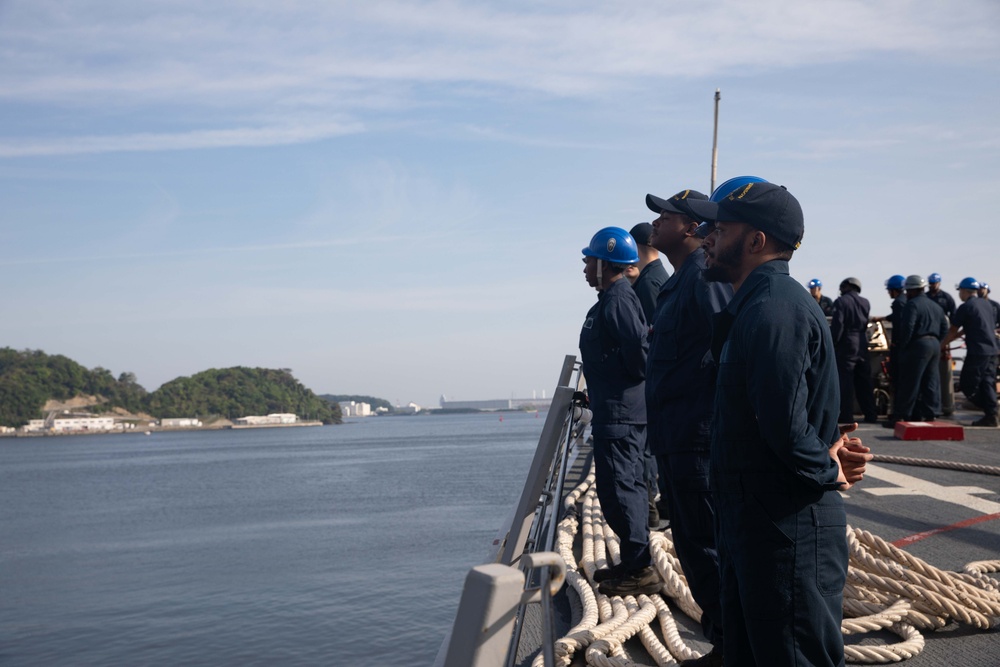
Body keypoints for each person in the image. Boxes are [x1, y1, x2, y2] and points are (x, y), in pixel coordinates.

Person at [688, 180, 872, 667]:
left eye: (719, 227)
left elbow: (784, 424)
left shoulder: (773, 310)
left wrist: (829, 470)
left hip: (785, 532)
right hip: (753, 525)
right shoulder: (752, 306)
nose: (705, 236)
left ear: (756, 241)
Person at [644, 186, 733, 666]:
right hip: (675, 437)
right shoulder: (680, 280)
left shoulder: (703, 277)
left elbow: (729, 353)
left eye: (666, 216)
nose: (656, 224)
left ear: (692, 227)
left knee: (708, 547)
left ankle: (732, 647)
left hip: (697, 439)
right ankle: (725, 641)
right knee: (694, 546)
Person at [578, 227, 661, 596]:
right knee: (616, 490)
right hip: (612, 411)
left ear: (606, 264)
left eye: (589, 260)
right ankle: (631, 562)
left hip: (621, 416)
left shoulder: (618, 302)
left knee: (623, 490)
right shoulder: (609, 299)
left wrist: (615, 389)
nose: (583, 267)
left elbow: (639, 357)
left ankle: (640, 568)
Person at [627, 221, 670, 528]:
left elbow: (648, 337)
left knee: (646, 448)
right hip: (657, 377)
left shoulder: (648, 284)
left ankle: (651, 508)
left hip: (650, 379)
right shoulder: (660, 278)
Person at [886, 275, 948, 426]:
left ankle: (901, 416)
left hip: (918, 345)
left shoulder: (912, 305)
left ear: (911, 289)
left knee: (910, 381)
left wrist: (903, 346)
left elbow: (908, 328)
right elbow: (944, 327)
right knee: (931, 381)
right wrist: (937, 342)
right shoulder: (935, 306)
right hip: (934, 345)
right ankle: (931, 413)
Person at [942, 277, 1000, 427]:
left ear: (963, 291)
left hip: (978, 351)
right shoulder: (986, 304)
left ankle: (991, 409)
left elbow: (952, 331)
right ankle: (991, 415)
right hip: (992, 350)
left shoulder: (966, 307)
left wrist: (941, 345)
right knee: (987, 383)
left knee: (968, 385)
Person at [829, 277, 879, 423]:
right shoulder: (866, 302)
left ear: (848, 286)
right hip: (862, 343)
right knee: (865, 382)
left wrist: (833, 343)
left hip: (847, 343)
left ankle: (846, 415)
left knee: (845, 382)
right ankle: (871, 414)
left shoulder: (841, 301)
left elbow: (838, 325)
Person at [926, 273, 957, 416]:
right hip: (932, 334)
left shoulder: (946, 298)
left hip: (942, 336)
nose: (932, 286)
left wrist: (946, 339)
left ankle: (945, 404)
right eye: (931, 283)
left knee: (943, 372)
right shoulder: (926, 297)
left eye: (934, 283)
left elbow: (954, 316)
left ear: (939, 283)